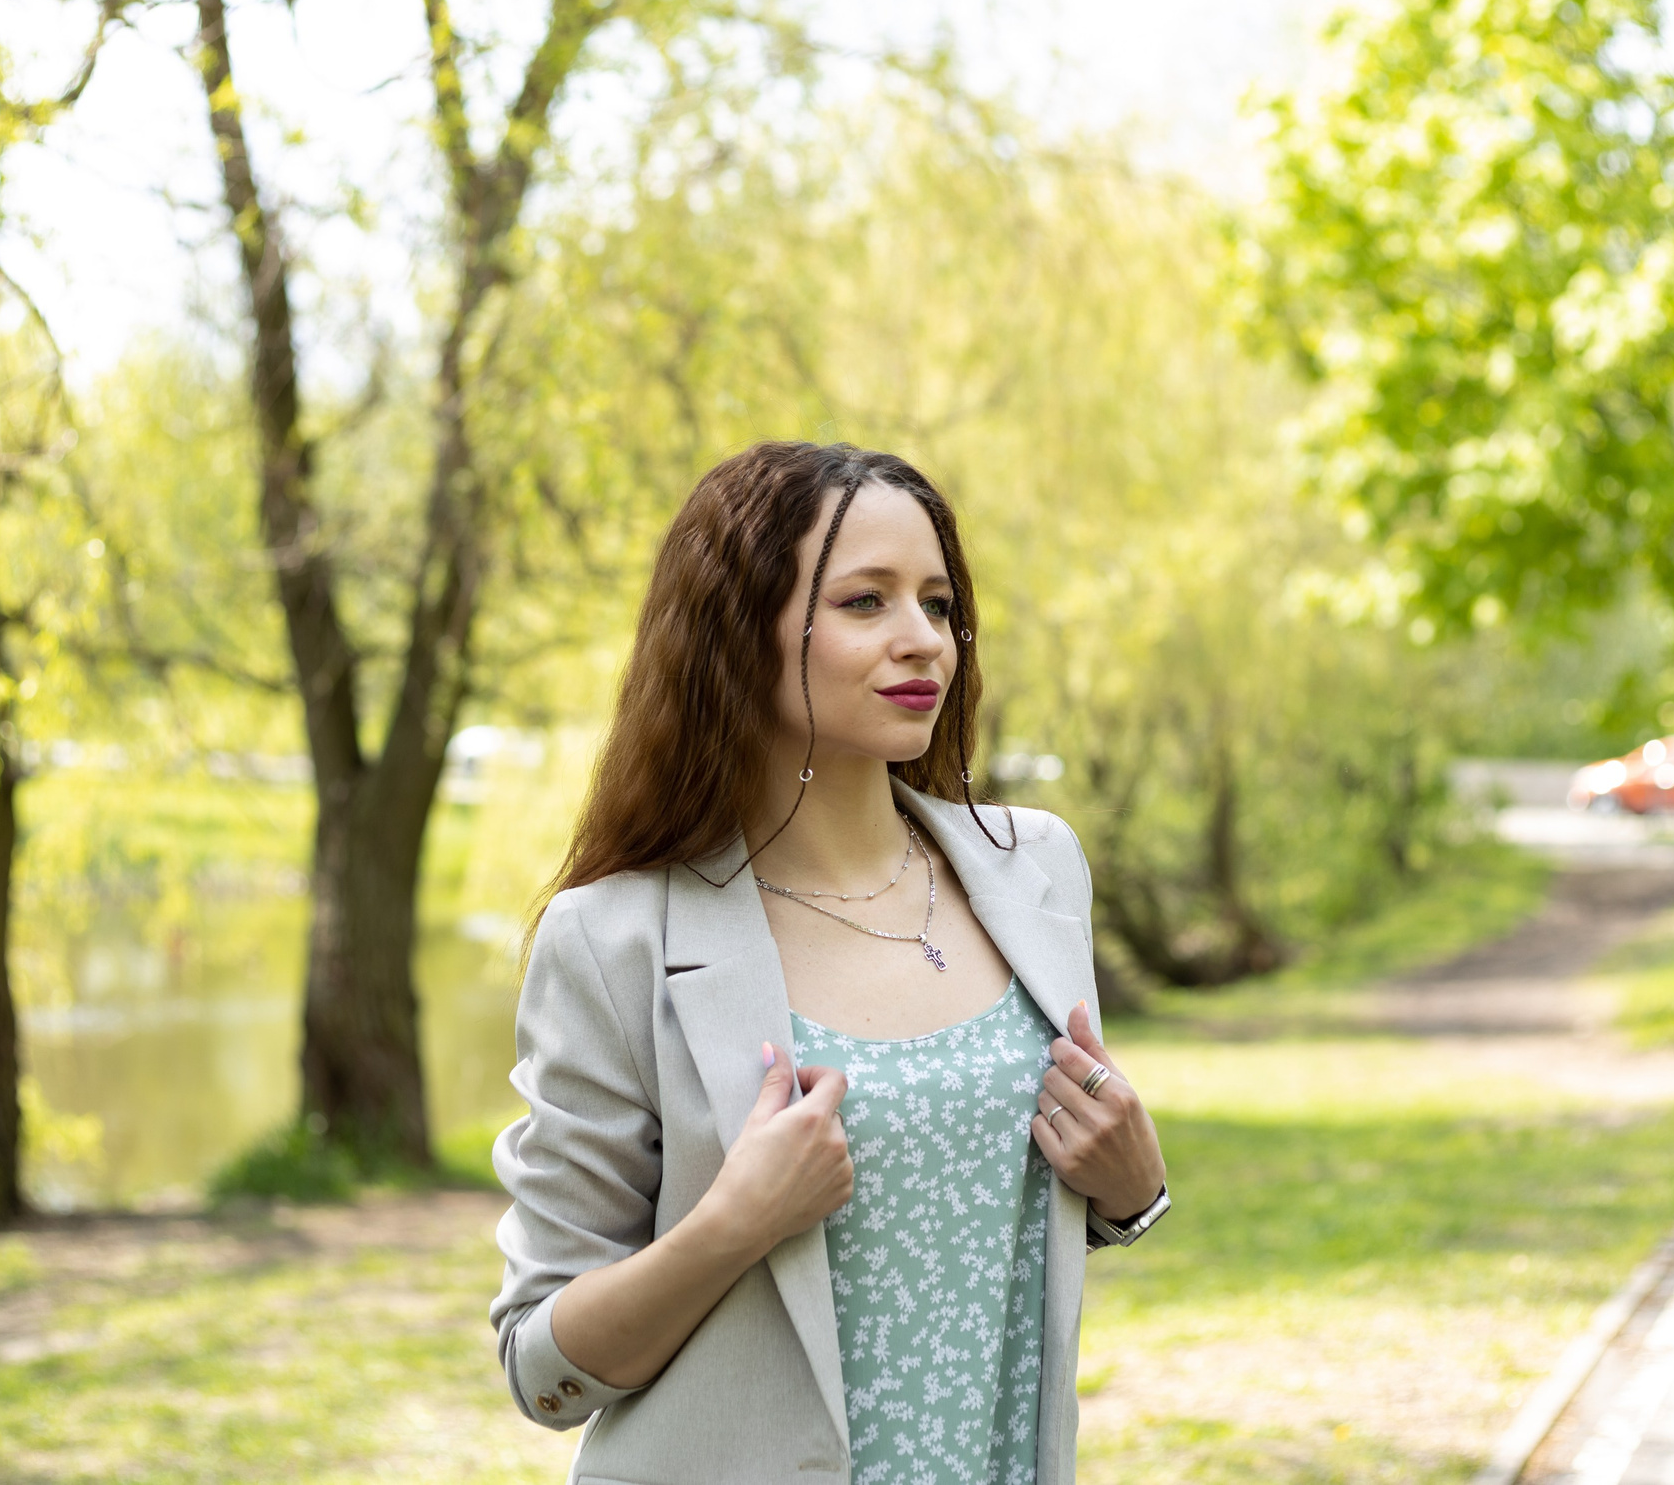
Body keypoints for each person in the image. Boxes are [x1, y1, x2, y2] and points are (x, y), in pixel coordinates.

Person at [491, 441, 1172, 1485]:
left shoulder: (1034, 871)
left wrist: (1130, 1196)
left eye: (938, 604)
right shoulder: (615, 938)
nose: (923, 642)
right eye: (866, 603)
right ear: (738, 634)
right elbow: (544, 1370)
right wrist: (732, 1224)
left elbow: (957, 1232)